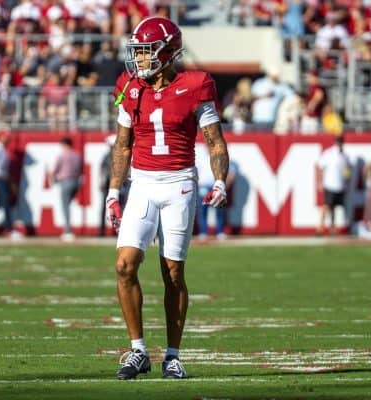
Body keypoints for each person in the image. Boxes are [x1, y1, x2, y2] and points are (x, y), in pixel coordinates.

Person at [106, 16, 229, 380]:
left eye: (146, 51)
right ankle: (138, 351)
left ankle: (172, 354)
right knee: (124, 265)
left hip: (179, 184)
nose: (140, 59)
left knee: (172, 272)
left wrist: (220, 180)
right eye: (138, 52)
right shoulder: (129, 86)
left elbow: (214, 140)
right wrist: (113, 192)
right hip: (142, 183)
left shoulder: (196, 85)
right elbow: (122, 144)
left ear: (169, 52)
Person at [196, 144, 237, 240]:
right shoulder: (201, 157)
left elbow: (231, 171)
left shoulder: (221, 157)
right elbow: (195, 172)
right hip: (204, 186)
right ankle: (203, 232)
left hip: (216, 186)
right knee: (203, 210)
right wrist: (198, 183)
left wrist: (224, 186)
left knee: (219, 210)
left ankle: (220, 231)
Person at [49, 137, 83, 242]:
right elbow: (80, 170)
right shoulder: (77, 155)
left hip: (65, 182)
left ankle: (68, 231)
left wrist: (52, 180)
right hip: (76, 182)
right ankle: (68, 230)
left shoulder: (62, 156)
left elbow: (54, 170)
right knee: (67, 205)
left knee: (65, 207)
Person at [316, 135, 351, 235]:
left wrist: (347, 183)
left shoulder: (345, 156)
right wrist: (320, 182)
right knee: (326, 206)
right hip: (330, 184)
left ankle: (332, 228)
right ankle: (320, 227)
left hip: (340, 186)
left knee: (334, 208)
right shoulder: (328, 153)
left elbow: (347, 171)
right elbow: (321, 168)